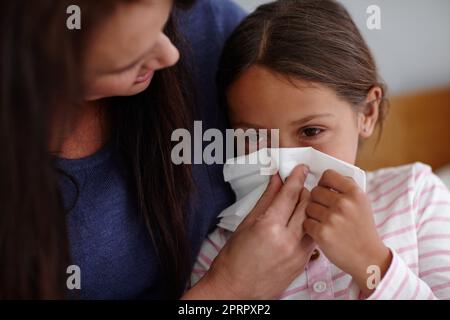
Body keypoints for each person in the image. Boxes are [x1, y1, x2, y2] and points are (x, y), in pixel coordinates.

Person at [1, 0, 314, 299]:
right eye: (128, 58)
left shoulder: (213, 28)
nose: (170, 55)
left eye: (165, 23)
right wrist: (229, 291)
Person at [191, 0, 450, 299]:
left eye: (310, 131)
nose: (287, 167)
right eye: (256, 137)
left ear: (366, 112)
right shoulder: (221, 256)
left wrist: (371, 261)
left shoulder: (416, 198)